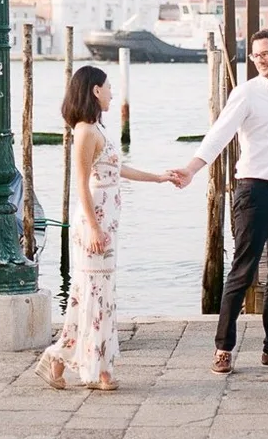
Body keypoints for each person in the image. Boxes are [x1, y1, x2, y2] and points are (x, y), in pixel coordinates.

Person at [170, 27, 268, 374]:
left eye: (265, 53)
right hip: (253, 192)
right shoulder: (247, 93)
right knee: (242, 272)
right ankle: (223, 349)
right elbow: (219, 134)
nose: (260, 60)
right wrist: (192, 169)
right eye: (254, 56)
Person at [36, 64, 174, 392]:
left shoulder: (98, 129)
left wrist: (158, 177)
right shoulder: (84, 131)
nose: (112, 92)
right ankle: (100, 371)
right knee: (95, 296)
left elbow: (116, 168)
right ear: (95, 90)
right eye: (108, 87)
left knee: (93, 296)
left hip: (107, 220)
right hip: (94, 223)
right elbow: (81, 184)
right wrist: (94, 228)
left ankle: (59, 362)